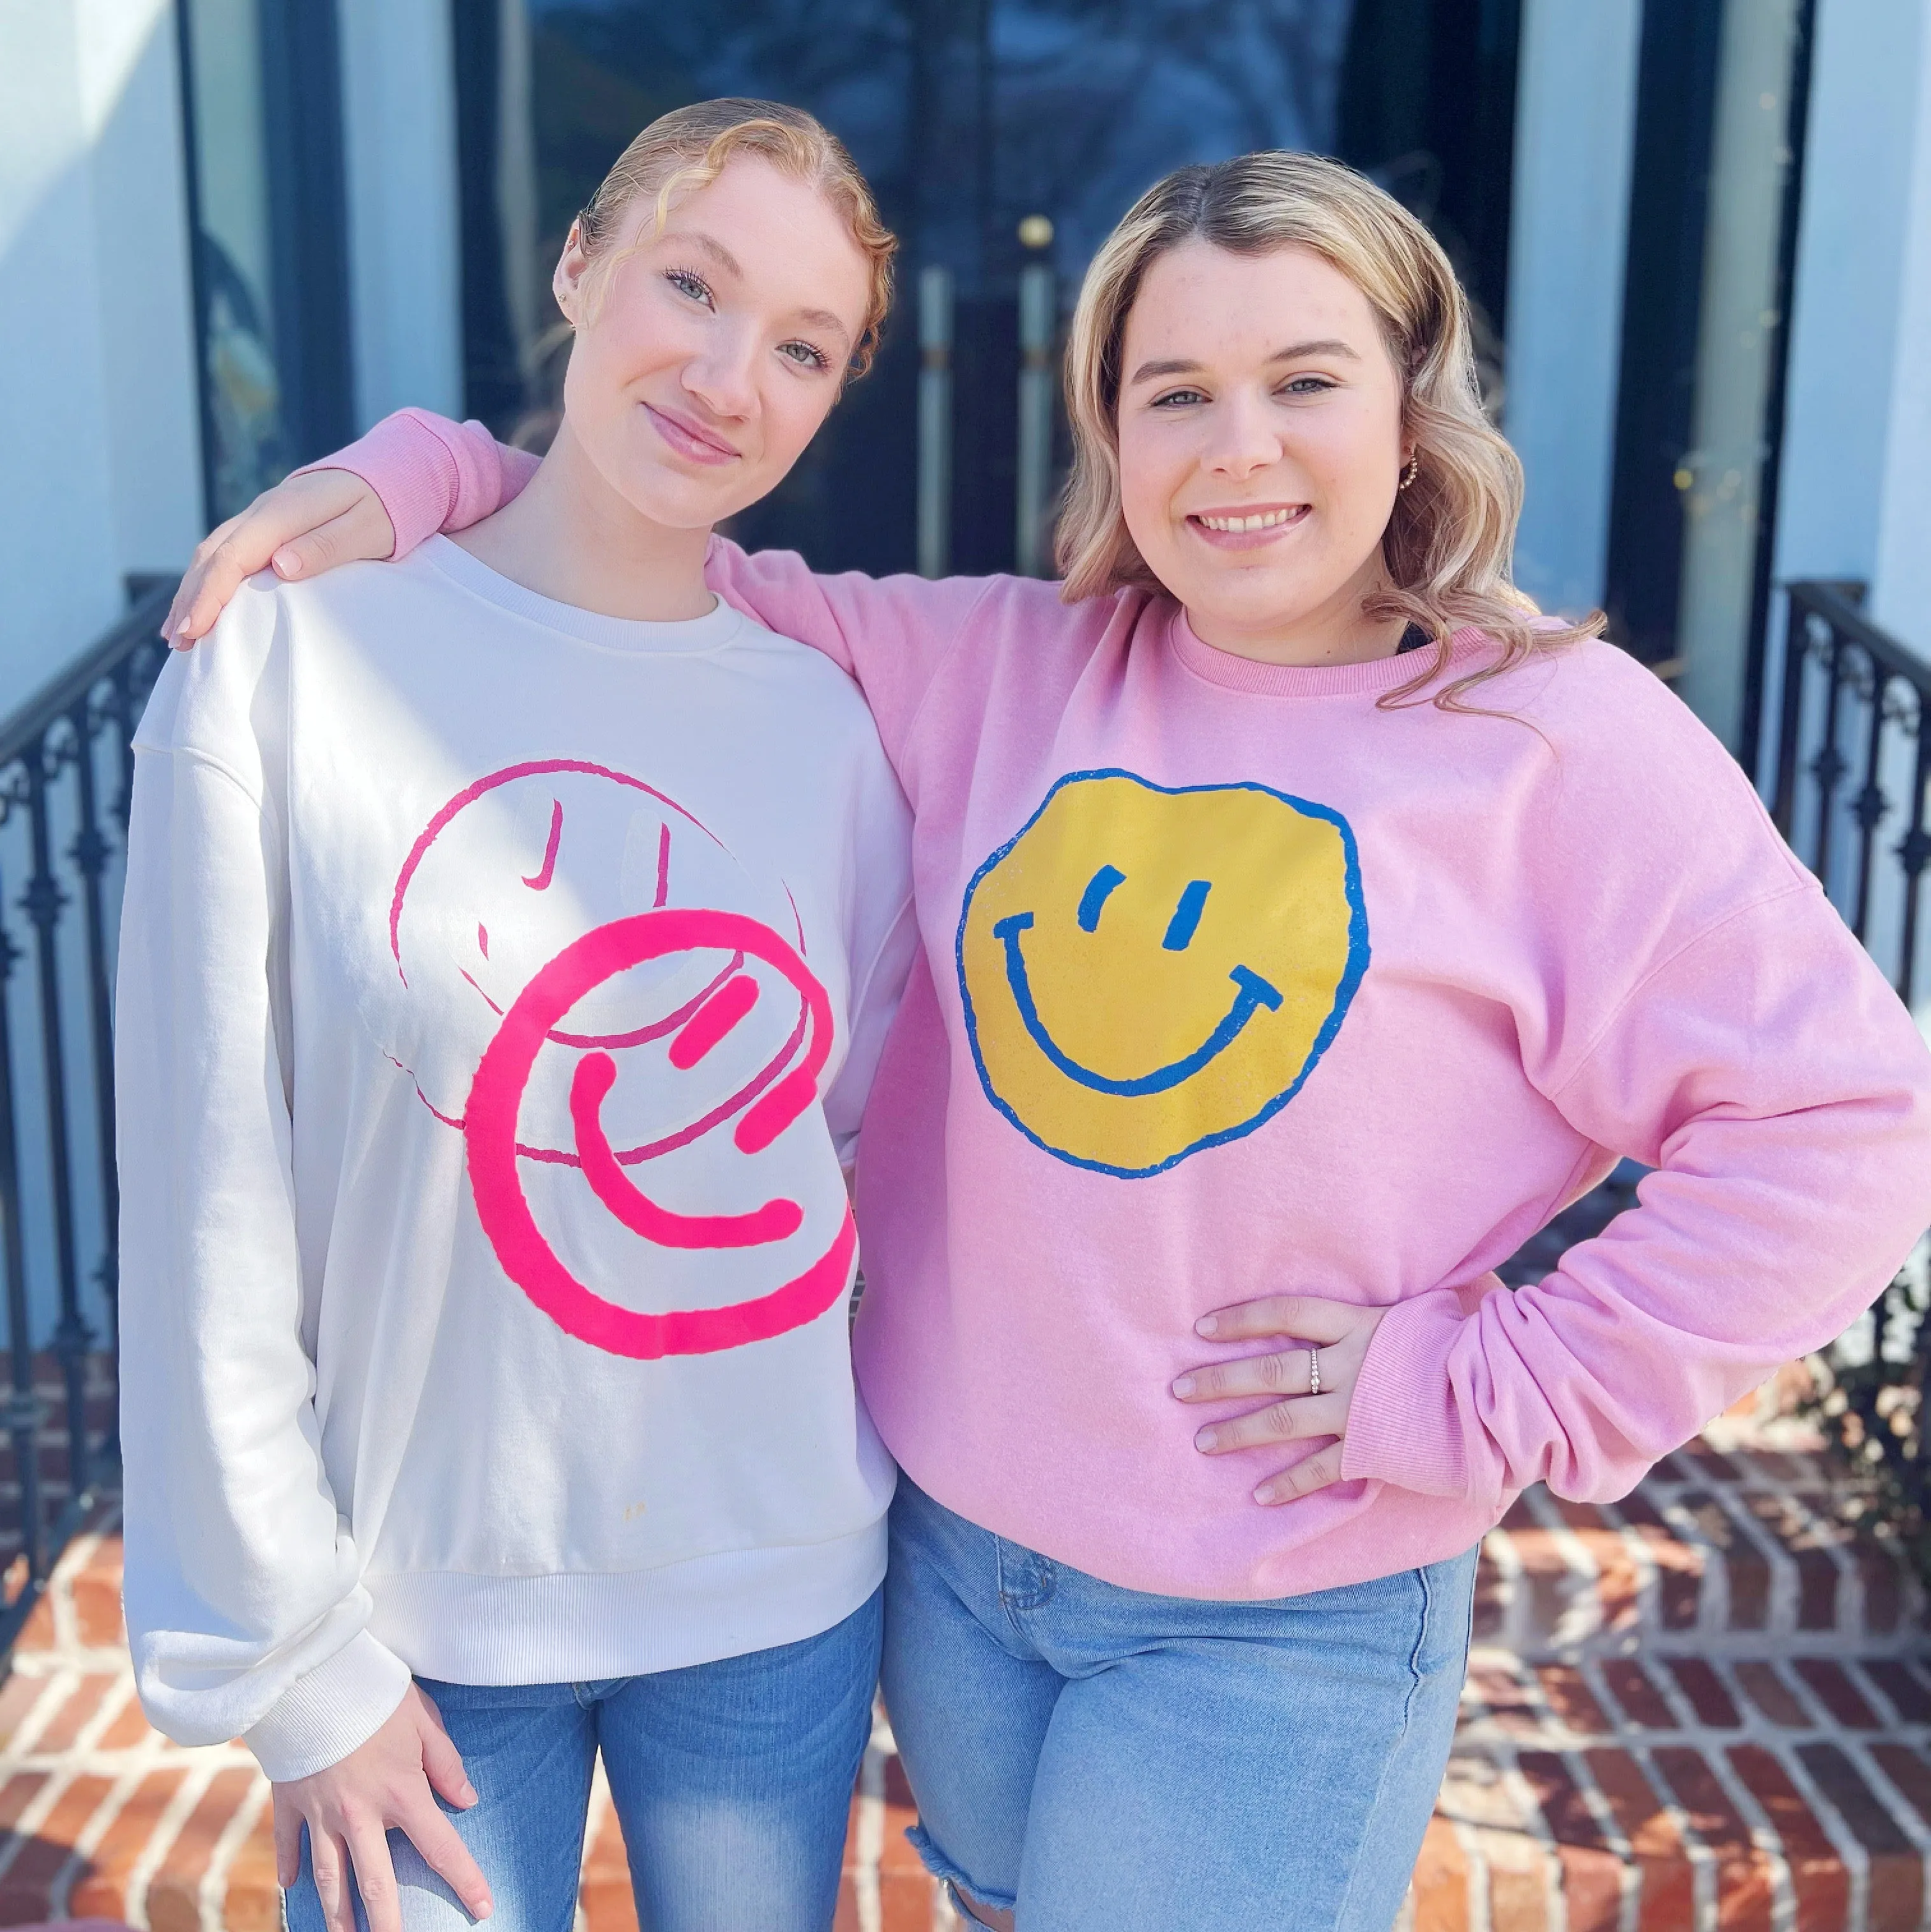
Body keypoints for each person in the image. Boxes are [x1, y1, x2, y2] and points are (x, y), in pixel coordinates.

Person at [165, 150, 1931, 1932]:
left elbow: (1853, 1127)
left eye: (1305, 381)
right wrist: (422, 469)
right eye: (1176, 395)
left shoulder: (1549, 734)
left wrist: (1498, 1390)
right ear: (1113, 438)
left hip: (1273, 1616)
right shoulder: (1008, 666)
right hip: (950, 1570)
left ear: (1412, 411)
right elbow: (651, 539)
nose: (1239, 448)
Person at [118, 100, 919, 1932]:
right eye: (690, 285)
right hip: (408, 1617)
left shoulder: (831, 724)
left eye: (801, 349)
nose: (729, 376)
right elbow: (202, 1201)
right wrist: (290, 1657)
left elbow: (858, 1145)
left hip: (775, 1592)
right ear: (579, 264)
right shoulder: (290, 653)